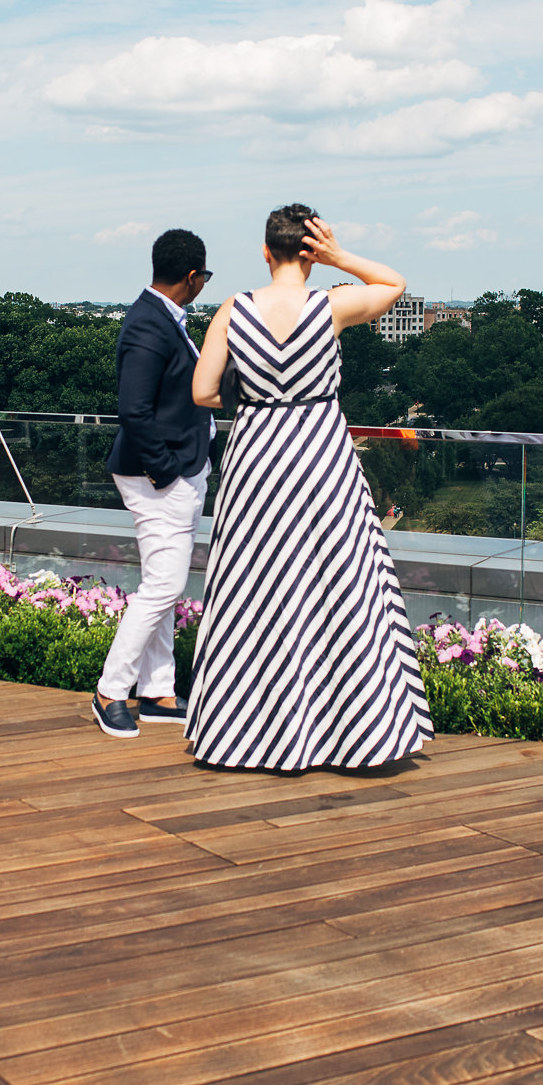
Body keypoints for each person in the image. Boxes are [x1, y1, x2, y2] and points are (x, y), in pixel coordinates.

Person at [185, 205, 431, 771]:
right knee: (340, 588)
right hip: (321, 454)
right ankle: (351, 733)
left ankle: (249, 734)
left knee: (255, 592)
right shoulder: (331, 305)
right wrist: (341, 256)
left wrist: (259, 401)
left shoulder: (232, 310)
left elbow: (202, 391)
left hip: (256, 458)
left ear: (265, 252)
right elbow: (394, 282)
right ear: (309, 253)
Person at [91, 229, 215, 738]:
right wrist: (168, 472)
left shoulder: (162, 317)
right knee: (163, 585)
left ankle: (158, 690)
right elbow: (134, 411)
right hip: (158, 475)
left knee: (163, 584)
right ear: (192, 277)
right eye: (204, 278)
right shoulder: (148, 323)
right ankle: (109, 692)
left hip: (175, 469)